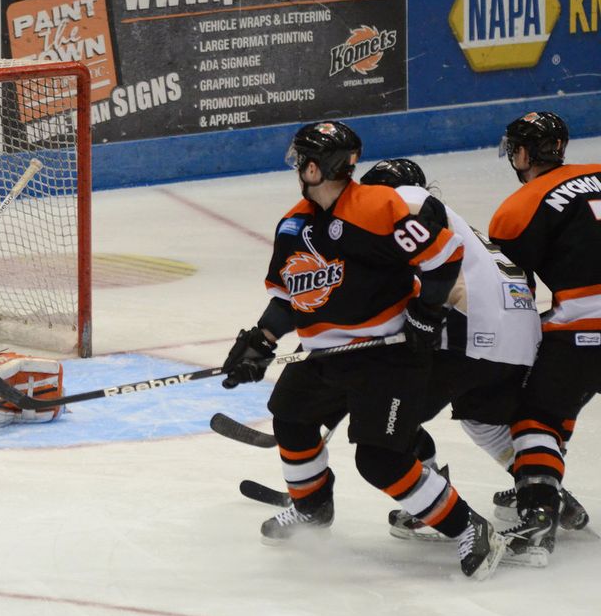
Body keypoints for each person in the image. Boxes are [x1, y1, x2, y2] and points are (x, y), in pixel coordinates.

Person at [221, 121, 504, 580]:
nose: (297, 168)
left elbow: (442, 259)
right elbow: (291, 297)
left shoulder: (379, 207)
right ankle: (312, 509)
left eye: (302, 160)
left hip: (386, 356)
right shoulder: (293, 225)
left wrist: (424, 314)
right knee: (291, 418)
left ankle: (469, 527)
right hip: (324, 356)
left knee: (380, 460)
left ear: (315, 167)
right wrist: (262, 340)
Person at [357, 159, 551, 542]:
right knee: (483, 421)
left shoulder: (406, 202)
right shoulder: (460, 226)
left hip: (472, 341)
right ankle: (545, 496)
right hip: (521, 339)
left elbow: (434, 289)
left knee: (386, 421)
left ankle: (433, 499)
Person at [488, 111, 601, 566]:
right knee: (560, 406)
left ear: (521, 154)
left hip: (584, 330)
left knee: (538, 416)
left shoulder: (518, 209)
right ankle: (544, 478)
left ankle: (538, 506)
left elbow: (517, 297)